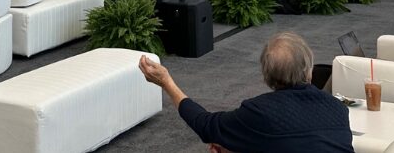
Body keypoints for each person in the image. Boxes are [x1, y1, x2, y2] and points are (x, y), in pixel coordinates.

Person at [139, 32, 353, 152]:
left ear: (266, 76)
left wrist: (167, 82)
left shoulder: (260, 112)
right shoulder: (337, 108)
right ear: (309, 70)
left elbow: (205, 124)